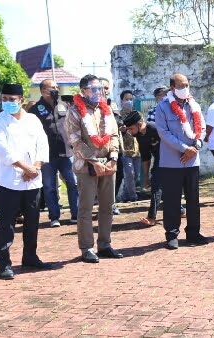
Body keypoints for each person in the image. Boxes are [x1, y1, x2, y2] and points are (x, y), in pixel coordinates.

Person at [0, 83, 52, 280]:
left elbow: (42, 145)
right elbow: (2, 150)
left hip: (33, 180)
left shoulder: (33, 120)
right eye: (4, 99)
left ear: (21, 100)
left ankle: (30, 256)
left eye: (11, 99)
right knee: (6, 223)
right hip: (9, 181)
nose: (7, 103)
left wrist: (35, 167)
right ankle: (4, 263)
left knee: (32, 220)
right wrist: (26, 168)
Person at [65, 74, 123, 263]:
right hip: (86, 166)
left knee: (108, 206)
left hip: (108, 163)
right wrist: (93, 161)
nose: (99, 92)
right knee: (86, 208)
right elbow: (75, 140)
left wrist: (113, 158)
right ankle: (87, 247)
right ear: (83, 91)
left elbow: (114, 135)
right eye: (94, 88)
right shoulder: (74, 111)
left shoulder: (106, 109)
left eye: (100, 88)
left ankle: (105, 244)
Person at [154, 73, 207, 250]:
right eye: (181, 85)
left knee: (193, 199)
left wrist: (197, 146)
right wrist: (185, 149)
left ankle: (193, 233)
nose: (185, 88)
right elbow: (164, 133)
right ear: (172, 88)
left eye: (186, 85)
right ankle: (172, 235)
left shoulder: (194, 105)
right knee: (172, 200)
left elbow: (202, 128)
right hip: (171, 162)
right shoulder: (162, 107)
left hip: (192, 161)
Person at [29, 79, 79, 227]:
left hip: (67, 152)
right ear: (43, 90)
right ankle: (54, 217)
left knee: (73, 183)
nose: (56, 89)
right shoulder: (35, 110)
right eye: (53, 87)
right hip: (46, 155)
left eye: (57, 87)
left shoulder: (64, 105)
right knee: (49, 186)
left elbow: (71, 125)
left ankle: (76, 214)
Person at [99, 78, 122, 215]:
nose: (105, 91)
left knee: (119, 173)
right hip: (99, 147)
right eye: (103, 88)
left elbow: (118, 119)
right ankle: (102, 204)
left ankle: (111, 204)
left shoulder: (111, 103)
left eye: (107, 88)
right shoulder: (91, 105)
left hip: (114, 145)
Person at [118, 89, 141, 203]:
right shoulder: (118, 116)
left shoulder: (137, 114)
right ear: (122, 101)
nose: (129, 101)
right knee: (129, 174)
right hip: (125, 150)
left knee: (136, 175)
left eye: (131, 99)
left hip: (137, 149)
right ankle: (133, 197)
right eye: (126, 99)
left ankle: (124, 196)